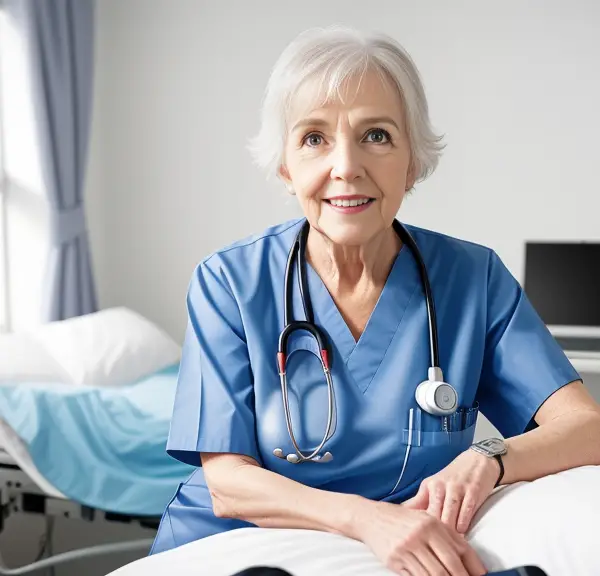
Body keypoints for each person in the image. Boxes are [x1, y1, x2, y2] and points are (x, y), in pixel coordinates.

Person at [150, 25, 600, 575]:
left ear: (413, 160)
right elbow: (227, 483)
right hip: (234, 544)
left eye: (377, 135)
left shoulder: (472, 278)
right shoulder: (230, 281)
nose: (346, 166)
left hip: (393, 548)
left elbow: (586, 428)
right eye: (314, 138)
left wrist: (489, 458)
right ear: (286, 166)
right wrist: (366, 520)